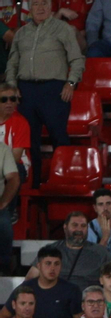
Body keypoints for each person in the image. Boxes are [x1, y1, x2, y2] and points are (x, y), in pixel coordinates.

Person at [5, 0, 83, 188]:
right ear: (30, 9)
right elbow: (12, 63)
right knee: (29, 142)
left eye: (44, 4)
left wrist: (71, 83)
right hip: (26, 92)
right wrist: (13, 86)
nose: (40, 8)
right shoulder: (21, 33)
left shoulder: (63, 29)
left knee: (59, 138)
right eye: (36, 4)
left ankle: (63, 182)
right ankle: (33, 185)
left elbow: (78, 59)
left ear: (51, 7)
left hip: (54, 90)